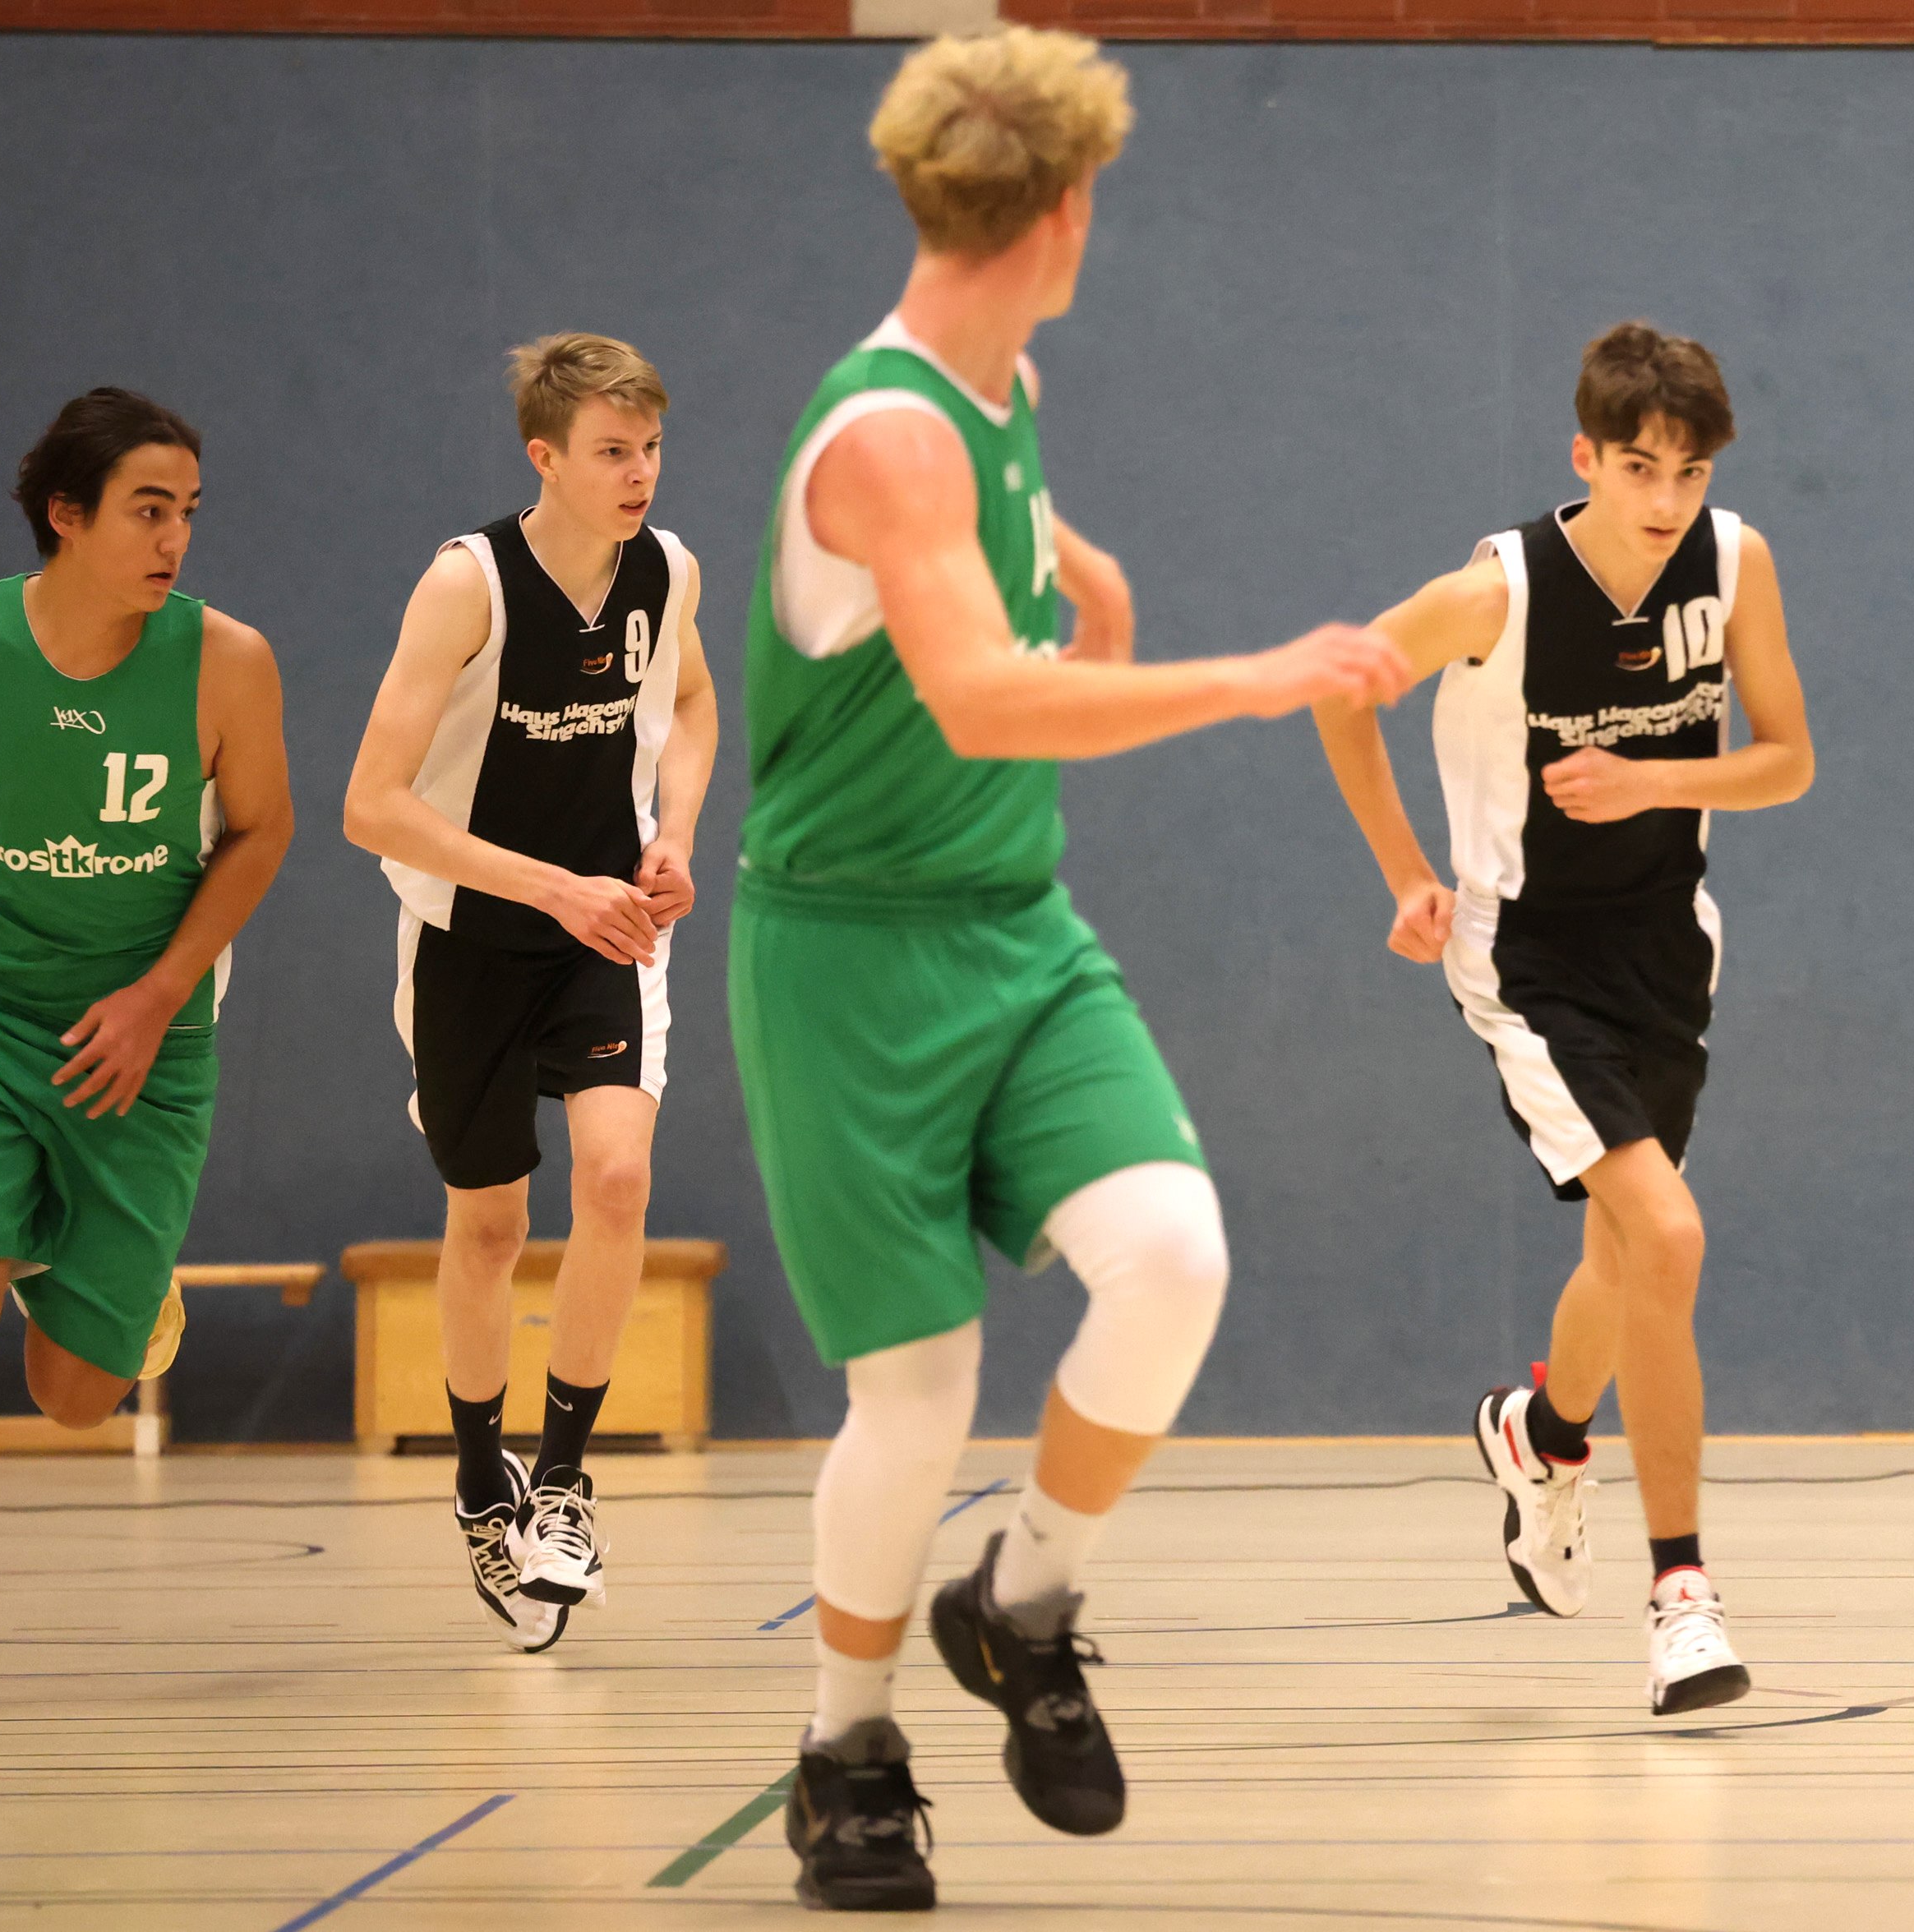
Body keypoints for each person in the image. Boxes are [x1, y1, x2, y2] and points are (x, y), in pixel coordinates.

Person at [741, 29, 1410, 1912]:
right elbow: (974, 694)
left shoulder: (994, 390)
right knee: (918, 1390)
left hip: (1012, 929)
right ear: (1065, 211)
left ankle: (1022, 1599)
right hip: (847, 963)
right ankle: (843, 1750)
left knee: (1173, 1256)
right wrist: (1253, 675)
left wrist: (1085, 587)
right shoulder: (886, 436)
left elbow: (1009, 573)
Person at [1310, 321, 1816, 1715]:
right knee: (1669, 1235)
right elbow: (1342, 695)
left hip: (1668, 950)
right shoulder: (1499, 591)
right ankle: (1683, 1597)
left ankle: (1541, 1434)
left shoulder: (1737, 562)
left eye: (1691, 472)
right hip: (1527, 961)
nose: (1668, 500)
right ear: (1585, 456)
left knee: (1623, 1255)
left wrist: (1654, 784)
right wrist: (1406, 872)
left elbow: (1788, 761)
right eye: (1641, 467)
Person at [0, 390, 293, 1708]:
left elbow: (262, 830)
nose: (175, 539)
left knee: (78, 1397)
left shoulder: (227, 661)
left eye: (188, 513)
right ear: (67, 515)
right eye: (149, 511)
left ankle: (116, 1294)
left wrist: (158, 993)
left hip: (144, 1037)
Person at [345, 332, 720, 1653]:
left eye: (651, 448)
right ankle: (478, 1483)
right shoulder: (468, 585)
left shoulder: (667, 572)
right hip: (468, 938)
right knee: (492, 1222)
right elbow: (371, 806)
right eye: (613, 452)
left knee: (616, 1178)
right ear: (545, 457)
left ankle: (562, 1482)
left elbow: (694, 705)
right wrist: (552, 887)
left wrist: (674, 835)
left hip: (605, 931)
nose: (640, 474)